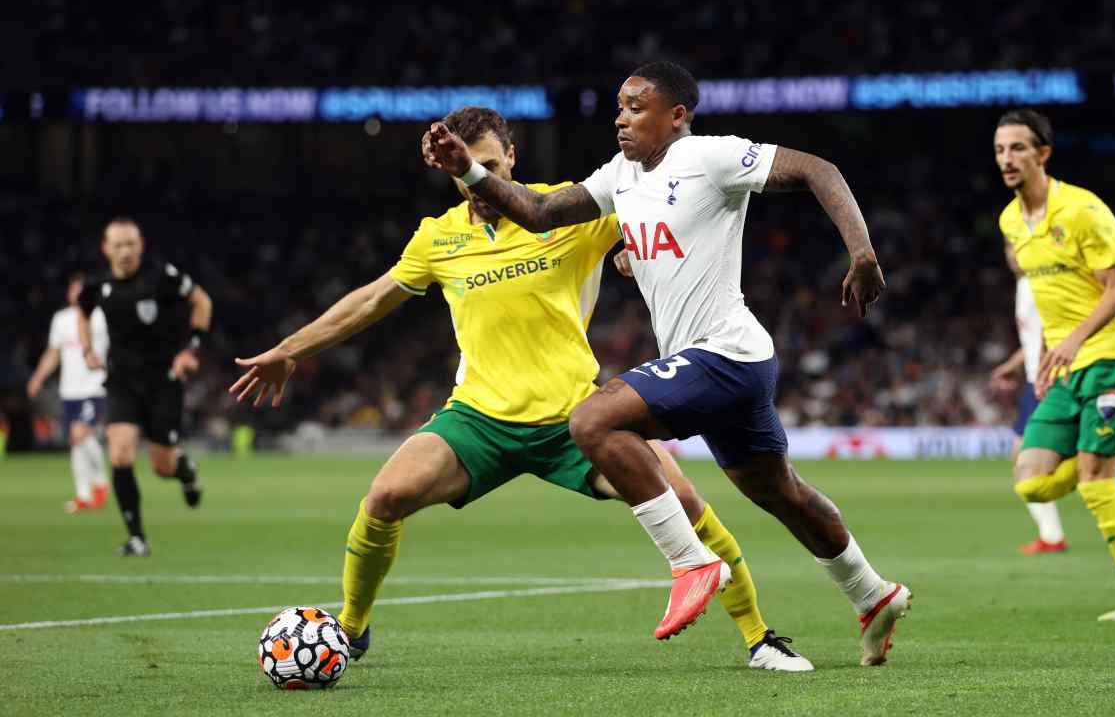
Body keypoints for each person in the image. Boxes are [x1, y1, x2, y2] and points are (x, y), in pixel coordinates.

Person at [231, 106, 813, 672]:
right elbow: (370, 300)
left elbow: (660, 210)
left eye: (487, 163)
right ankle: (350, 630)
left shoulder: (565, 208)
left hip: (574, 421)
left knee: (685, 504)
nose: (477, 181)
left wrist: (640, 255)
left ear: (511, 156)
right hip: (479, 421)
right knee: (383, 499)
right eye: (465, 169)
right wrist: (290, 352)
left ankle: (761, 639)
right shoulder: (437, 238)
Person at [424, 62, 910, 666]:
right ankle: (873, 594)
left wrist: (861, 252)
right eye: (619, 107)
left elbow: (819, 169)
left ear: (676, 115)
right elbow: (541, 212)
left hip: (724, 352)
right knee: (779, 492)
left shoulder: (711, 157)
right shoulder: (621, 175)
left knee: (593, 422)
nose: (621, 118)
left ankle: (690, 561)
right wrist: (467, 169)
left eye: (636, 107)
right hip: (724, 362)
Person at [994, 108, 1115, 621]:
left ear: (1043, 154)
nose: (1007, 159)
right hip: (1064, 369)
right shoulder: (1011, 221)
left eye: (1017, 148)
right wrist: (1042, 355)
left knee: (1096, 480)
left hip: (1111, 359)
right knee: (1030, 480)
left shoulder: (1082, 210)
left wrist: (1073, 341)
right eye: (999, 150)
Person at [79, 218, 212, 556]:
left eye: (130, 244)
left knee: (161, 465)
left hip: (163, 380)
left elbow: (202, 302)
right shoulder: (97, 284)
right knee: (120, 454)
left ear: (141, 245)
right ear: (105, 249)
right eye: (118, 245)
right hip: (122, 381)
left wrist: (190, 349)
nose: (124, 252)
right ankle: (137, 538)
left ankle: (184, 469)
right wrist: (88, 349)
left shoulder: (162, 276)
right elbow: (81, 312)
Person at [989, 261, 1067, 555]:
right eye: (1008, 249)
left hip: (1050, 380)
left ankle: (1052, 535)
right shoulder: (1024, 285)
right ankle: (1051, 535)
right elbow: (1033, 339)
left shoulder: (1042, 283)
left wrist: (1047, 367)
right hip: (1036, 380)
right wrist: (1014, 364)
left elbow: (1054, 331)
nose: (1012, 255)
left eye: (1016, 248)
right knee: (1022, 458)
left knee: (1029, 460)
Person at [27, 273, 111, 513]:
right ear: (68, 293)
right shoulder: (61, 319)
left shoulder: (101, 317)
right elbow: (53, 352)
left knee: (79, 434)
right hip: (69, 389)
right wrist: (38, 377)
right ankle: (84, 495)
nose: (78, 293)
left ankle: (100, 484)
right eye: (74, 289)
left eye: (82, 289)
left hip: (96, 385)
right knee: (77, 442)